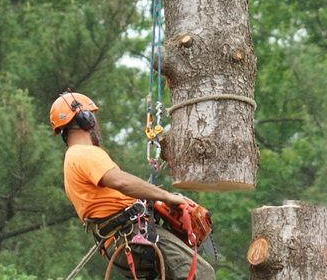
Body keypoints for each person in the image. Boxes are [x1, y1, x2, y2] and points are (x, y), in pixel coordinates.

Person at [50, 92, 215, 280]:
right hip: (130, 235)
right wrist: (168, 197)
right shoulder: (84, 154)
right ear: (85, 118)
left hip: (121, 241)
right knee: (201, 274)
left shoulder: (73, 159)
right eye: (92, 116)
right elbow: (121, 181)